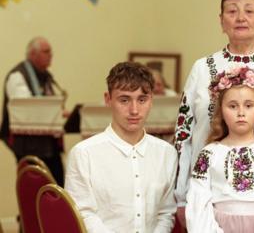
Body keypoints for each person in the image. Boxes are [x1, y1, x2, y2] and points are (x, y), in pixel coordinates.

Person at [174, 0, 254, 227]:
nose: (240, 18)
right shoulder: (202, 68)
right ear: (221, 21)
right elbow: (183, 134)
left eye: (249, 11)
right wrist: (181, 196)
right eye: (232, 11)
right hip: (206, 196)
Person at [65, 62, 178, 233]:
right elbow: (83, 214)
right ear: (108, 99)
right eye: (124, 100)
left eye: (142, 100)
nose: (134, 110)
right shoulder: (83, 153)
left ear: (151, 100)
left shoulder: (167, 153)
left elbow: (165, 213)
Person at [186, 66, 254, 233]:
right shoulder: (209, 153)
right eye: (232, 106)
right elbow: (198, 200)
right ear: (221, 112)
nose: (241, 113)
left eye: (249, 105)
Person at [1, 36, 66, 186]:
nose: (51, 55)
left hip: (50, 145)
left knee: (57, 190)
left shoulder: (46, 76)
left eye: (51, 51)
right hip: (28, 147)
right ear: (32, 54)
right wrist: (55, 112)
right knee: (34, 192)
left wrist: (59, 113)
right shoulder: (18, 76)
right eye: (46, 51)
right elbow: (27, 108)